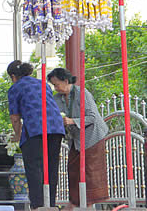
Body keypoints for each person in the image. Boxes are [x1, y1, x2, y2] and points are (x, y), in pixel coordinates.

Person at [7, 60, 65, 208]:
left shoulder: (15, 88)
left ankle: (38, 205)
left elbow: (15, 117)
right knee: (51, 166)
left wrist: (18, 134)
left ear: (13, 76)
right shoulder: (43, 84)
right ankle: (50, 204)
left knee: (34, 166)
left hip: (35, 127)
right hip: (56, 126)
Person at [47, 68, 109, 207]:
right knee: (73, 170)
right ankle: (74, 203)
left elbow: (92, 117)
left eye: (56, 84)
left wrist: (72, 121)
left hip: (92, 136)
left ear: (66, 81)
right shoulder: (57, 98)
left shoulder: (82, 94)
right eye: (53, 85)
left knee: (90, 172)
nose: (55, 88)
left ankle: (89, 204)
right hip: (76, 139)